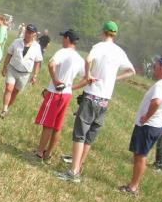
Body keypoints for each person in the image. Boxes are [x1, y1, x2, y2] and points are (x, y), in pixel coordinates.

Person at [57, 21, 135, 183]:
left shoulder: (99, 47)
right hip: (105, 100)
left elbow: (88, 59)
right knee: (90, 136)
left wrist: (88, 76)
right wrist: (114, 78)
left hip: (92, 95)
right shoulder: (120, 51)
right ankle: (78, 168)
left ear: (103, 32)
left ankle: (73, 172)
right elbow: (131, 71)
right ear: (114, 34)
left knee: (80, 134)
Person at [119, 56, 162, 196]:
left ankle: (133, 187)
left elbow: (156, 102)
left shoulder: (160, 85)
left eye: (156, 65)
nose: (153, 66)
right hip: (157, 125)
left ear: (161, 67)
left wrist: (146, 117)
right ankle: (134, 185)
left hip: (148, 125)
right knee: (141, 155)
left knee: (140, 156)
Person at [33, 30, 89, 162]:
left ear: (67, 39)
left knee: (48, 124)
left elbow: (51, 64)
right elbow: (87, 78)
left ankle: (40, 152)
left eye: (63, 38)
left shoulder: (63, 52)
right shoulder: (79, 58)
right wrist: (72, 87)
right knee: (57, 126)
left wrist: (55, 81)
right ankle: (49, 154)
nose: (62, 40)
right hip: (67, 95)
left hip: (56, 93)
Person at [0, 24, 43, 118]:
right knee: (9, 88)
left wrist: (35, 75)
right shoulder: (17, 41)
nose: (27, 34)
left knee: (15, 91)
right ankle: (4, 109)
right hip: (13, 68)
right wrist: (4, 67)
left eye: (30, 33)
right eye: (27, 32)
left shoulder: (37, 47)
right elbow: (9, 54)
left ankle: (8, 108)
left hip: (25, 73)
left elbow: (37, 62)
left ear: (34, 35)